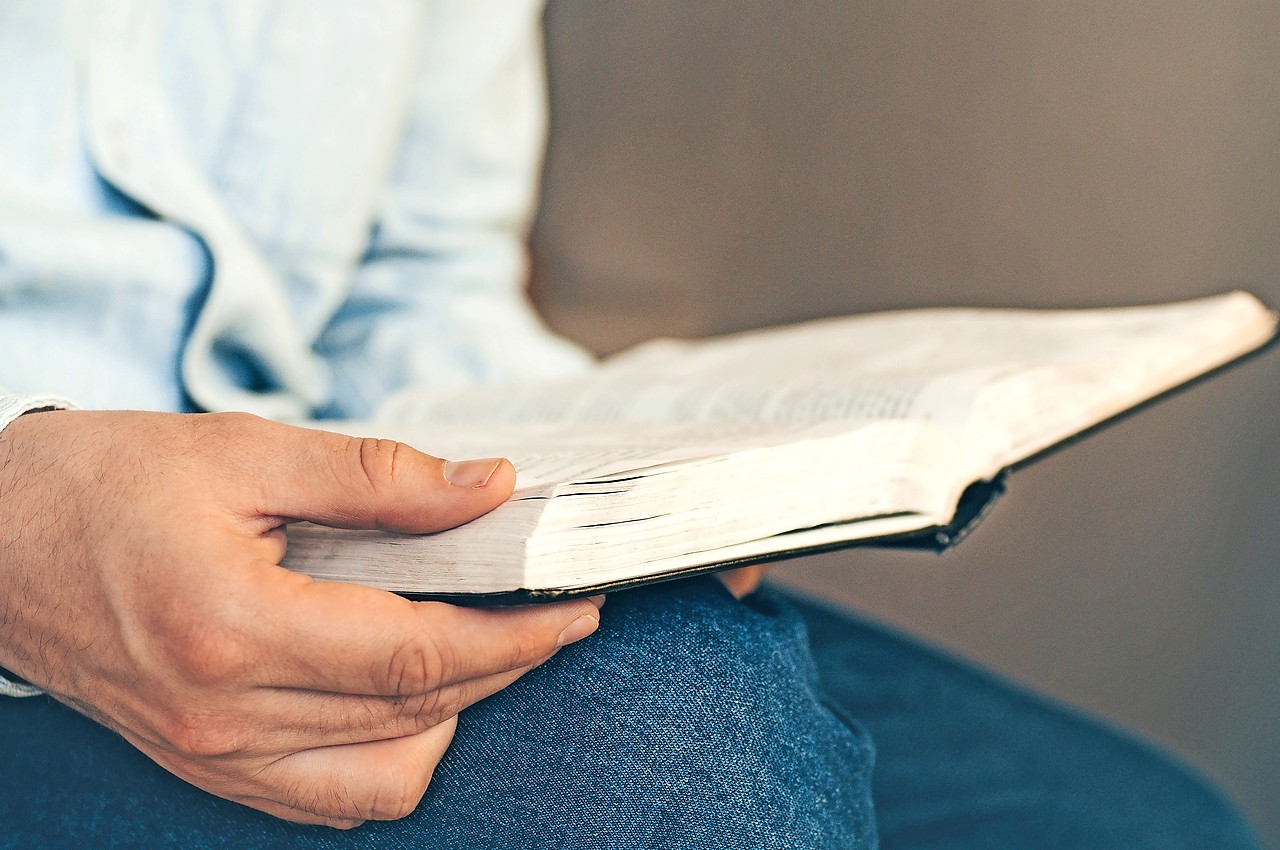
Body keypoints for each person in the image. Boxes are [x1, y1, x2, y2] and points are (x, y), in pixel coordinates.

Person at [0, 3, 1262, 847]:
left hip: (329, 548)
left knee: (1137, 824)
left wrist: (612, 469)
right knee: (678, 765)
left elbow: (415, 282)